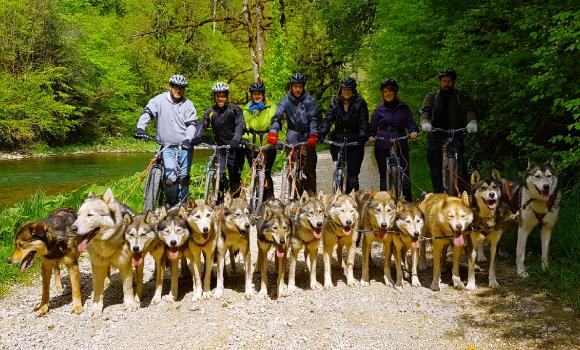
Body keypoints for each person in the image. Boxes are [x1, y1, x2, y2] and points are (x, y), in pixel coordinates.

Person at [135, 74, 198, 206]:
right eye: (175, 87)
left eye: (181, 88)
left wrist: (188, 139)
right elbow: (147, 112)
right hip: (166, 147)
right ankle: (169, 203)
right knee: (171, 178)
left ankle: (181, 207)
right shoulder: (159, 100)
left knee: (184, 178)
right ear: (170, 87)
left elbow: (192, 125)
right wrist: (141, 128)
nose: (178, 90)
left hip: (184, 146)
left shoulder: (188, 104)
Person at [419, 69, 477, 193]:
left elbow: (469, 109)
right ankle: (438, 192)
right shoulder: (432, 96)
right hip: (435, 133)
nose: (447, 83)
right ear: (440, 83)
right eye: (444, 81)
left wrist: (472, 121)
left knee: (460, 165)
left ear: (453, 82)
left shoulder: (460, 96)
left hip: (455, 133)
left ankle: (461, 193)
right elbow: (425, 110)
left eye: (449, 81)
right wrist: (425, 122)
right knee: (435, 166)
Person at [268, 72, 319, 193]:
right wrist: (273, 132)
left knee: (309, 168)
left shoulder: (309, 100)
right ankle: (294, 189)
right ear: (291, 86)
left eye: (300, 86)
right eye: (295, 86)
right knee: (292, 165)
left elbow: (314, 119)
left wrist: (313, 134)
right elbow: (277, 117)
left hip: (307, 135)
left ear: (303, 87)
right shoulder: (285, 100)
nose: (297, 89)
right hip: (292, 134)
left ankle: (312, 195)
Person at [368, 79, 418, 201]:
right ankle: (384, 202)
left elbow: (410, 122)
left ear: (395, 92)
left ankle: (407, 203)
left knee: (405, 174)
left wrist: (413, 131)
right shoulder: (379, 109)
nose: (388, 94)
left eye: (390, 91)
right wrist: (371, 135)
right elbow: (373, 126)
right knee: (383, 175)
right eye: (385, 92)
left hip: (400, 140)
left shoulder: (403, 107)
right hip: (382, 142)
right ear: (382, 94)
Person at [197, 82, 246, 199]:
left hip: (234, 147)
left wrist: (236, 139)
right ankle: (218, 201)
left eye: (223, 96)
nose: (220, 98)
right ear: (214, 97)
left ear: (227, 96)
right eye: (217, 96)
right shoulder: (210, 112)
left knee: (234, 178)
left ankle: (235, 203)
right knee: (220, 175)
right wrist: (197, 137)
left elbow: (240, 125)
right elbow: (202, 125)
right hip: (220, 148)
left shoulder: (235, 109)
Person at [319, 77, 369, 193]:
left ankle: (353, 201)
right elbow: (327, 120)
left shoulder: (360, 103)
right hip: (337, 140)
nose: (346, 92)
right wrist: (322, 134)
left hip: (355, 141)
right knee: (338, 170)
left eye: (349, 89)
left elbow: (363, 122)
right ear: (340, 90)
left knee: (352, 178)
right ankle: (337, 190)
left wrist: (362, 136)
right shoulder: (335, 102)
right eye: (344, 89)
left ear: (353, 91)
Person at [242, 82, 277, 201]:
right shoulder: (247, 108)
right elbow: (244, 125)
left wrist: (273, 133)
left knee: (266, 171)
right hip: (252, 144)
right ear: (251, 95)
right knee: (254, 171)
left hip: (268, 143)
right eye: (254, 94)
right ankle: (255, 193)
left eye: (259, 94)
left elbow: (274, 120)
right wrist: (244, 138)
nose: (257, 96)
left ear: (263, 94)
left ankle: (269, 197)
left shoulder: (271, 106)